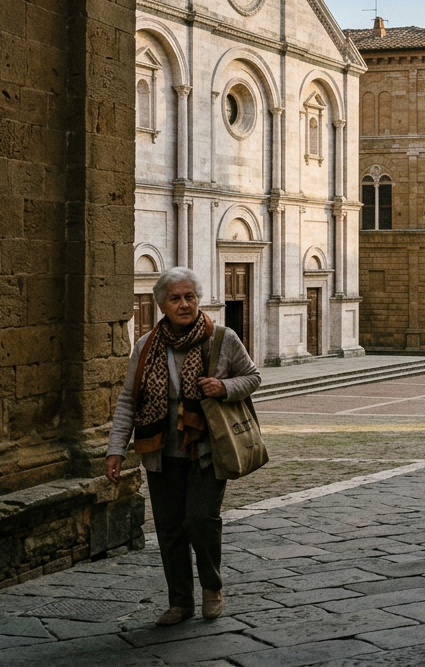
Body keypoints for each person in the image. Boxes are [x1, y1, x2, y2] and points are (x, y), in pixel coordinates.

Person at [106, 267, 260, 626]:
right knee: (169, 528)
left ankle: (211, 587)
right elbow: (128, 400)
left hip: (207, 448)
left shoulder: (222, 339)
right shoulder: (145, 347)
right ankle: (180, 602)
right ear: (161, 304)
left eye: (189, 296)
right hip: (160, 453)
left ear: (198, 299)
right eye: (175, 298)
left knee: (200, 520)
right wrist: (116, 449)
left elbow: (252, 377)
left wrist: (224, 388)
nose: (184, 304)